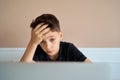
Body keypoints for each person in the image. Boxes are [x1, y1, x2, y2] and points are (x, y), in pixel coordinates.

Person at [20, 13, 91, 63]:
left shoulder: (69, 49)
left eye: (52, 39)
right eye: (42, 41)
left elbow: (91, 67)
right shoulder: (37, 50)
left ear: (60, 35)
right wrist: (33, 43)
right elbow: (23, 70)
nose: (48, 47)